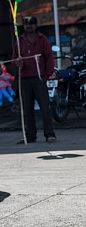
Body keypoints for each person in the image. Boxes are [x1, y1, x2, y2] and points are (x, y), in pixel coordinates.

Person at [12, 16, 56, 144]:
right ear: (23, 26)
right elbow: (15, 58)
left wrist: (47, 74)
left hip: (39, 78)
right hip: (25, 79)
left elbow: (49, 57)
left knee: (45, 108)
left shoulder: (42, 39)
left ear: (36, 25)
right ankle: (30, 136)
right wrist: (18, 62)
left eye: (31, 23)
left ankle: (49, 134)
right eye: (26, 24)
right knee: (27, 109)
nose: (29, 26)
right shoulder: (19, 40)